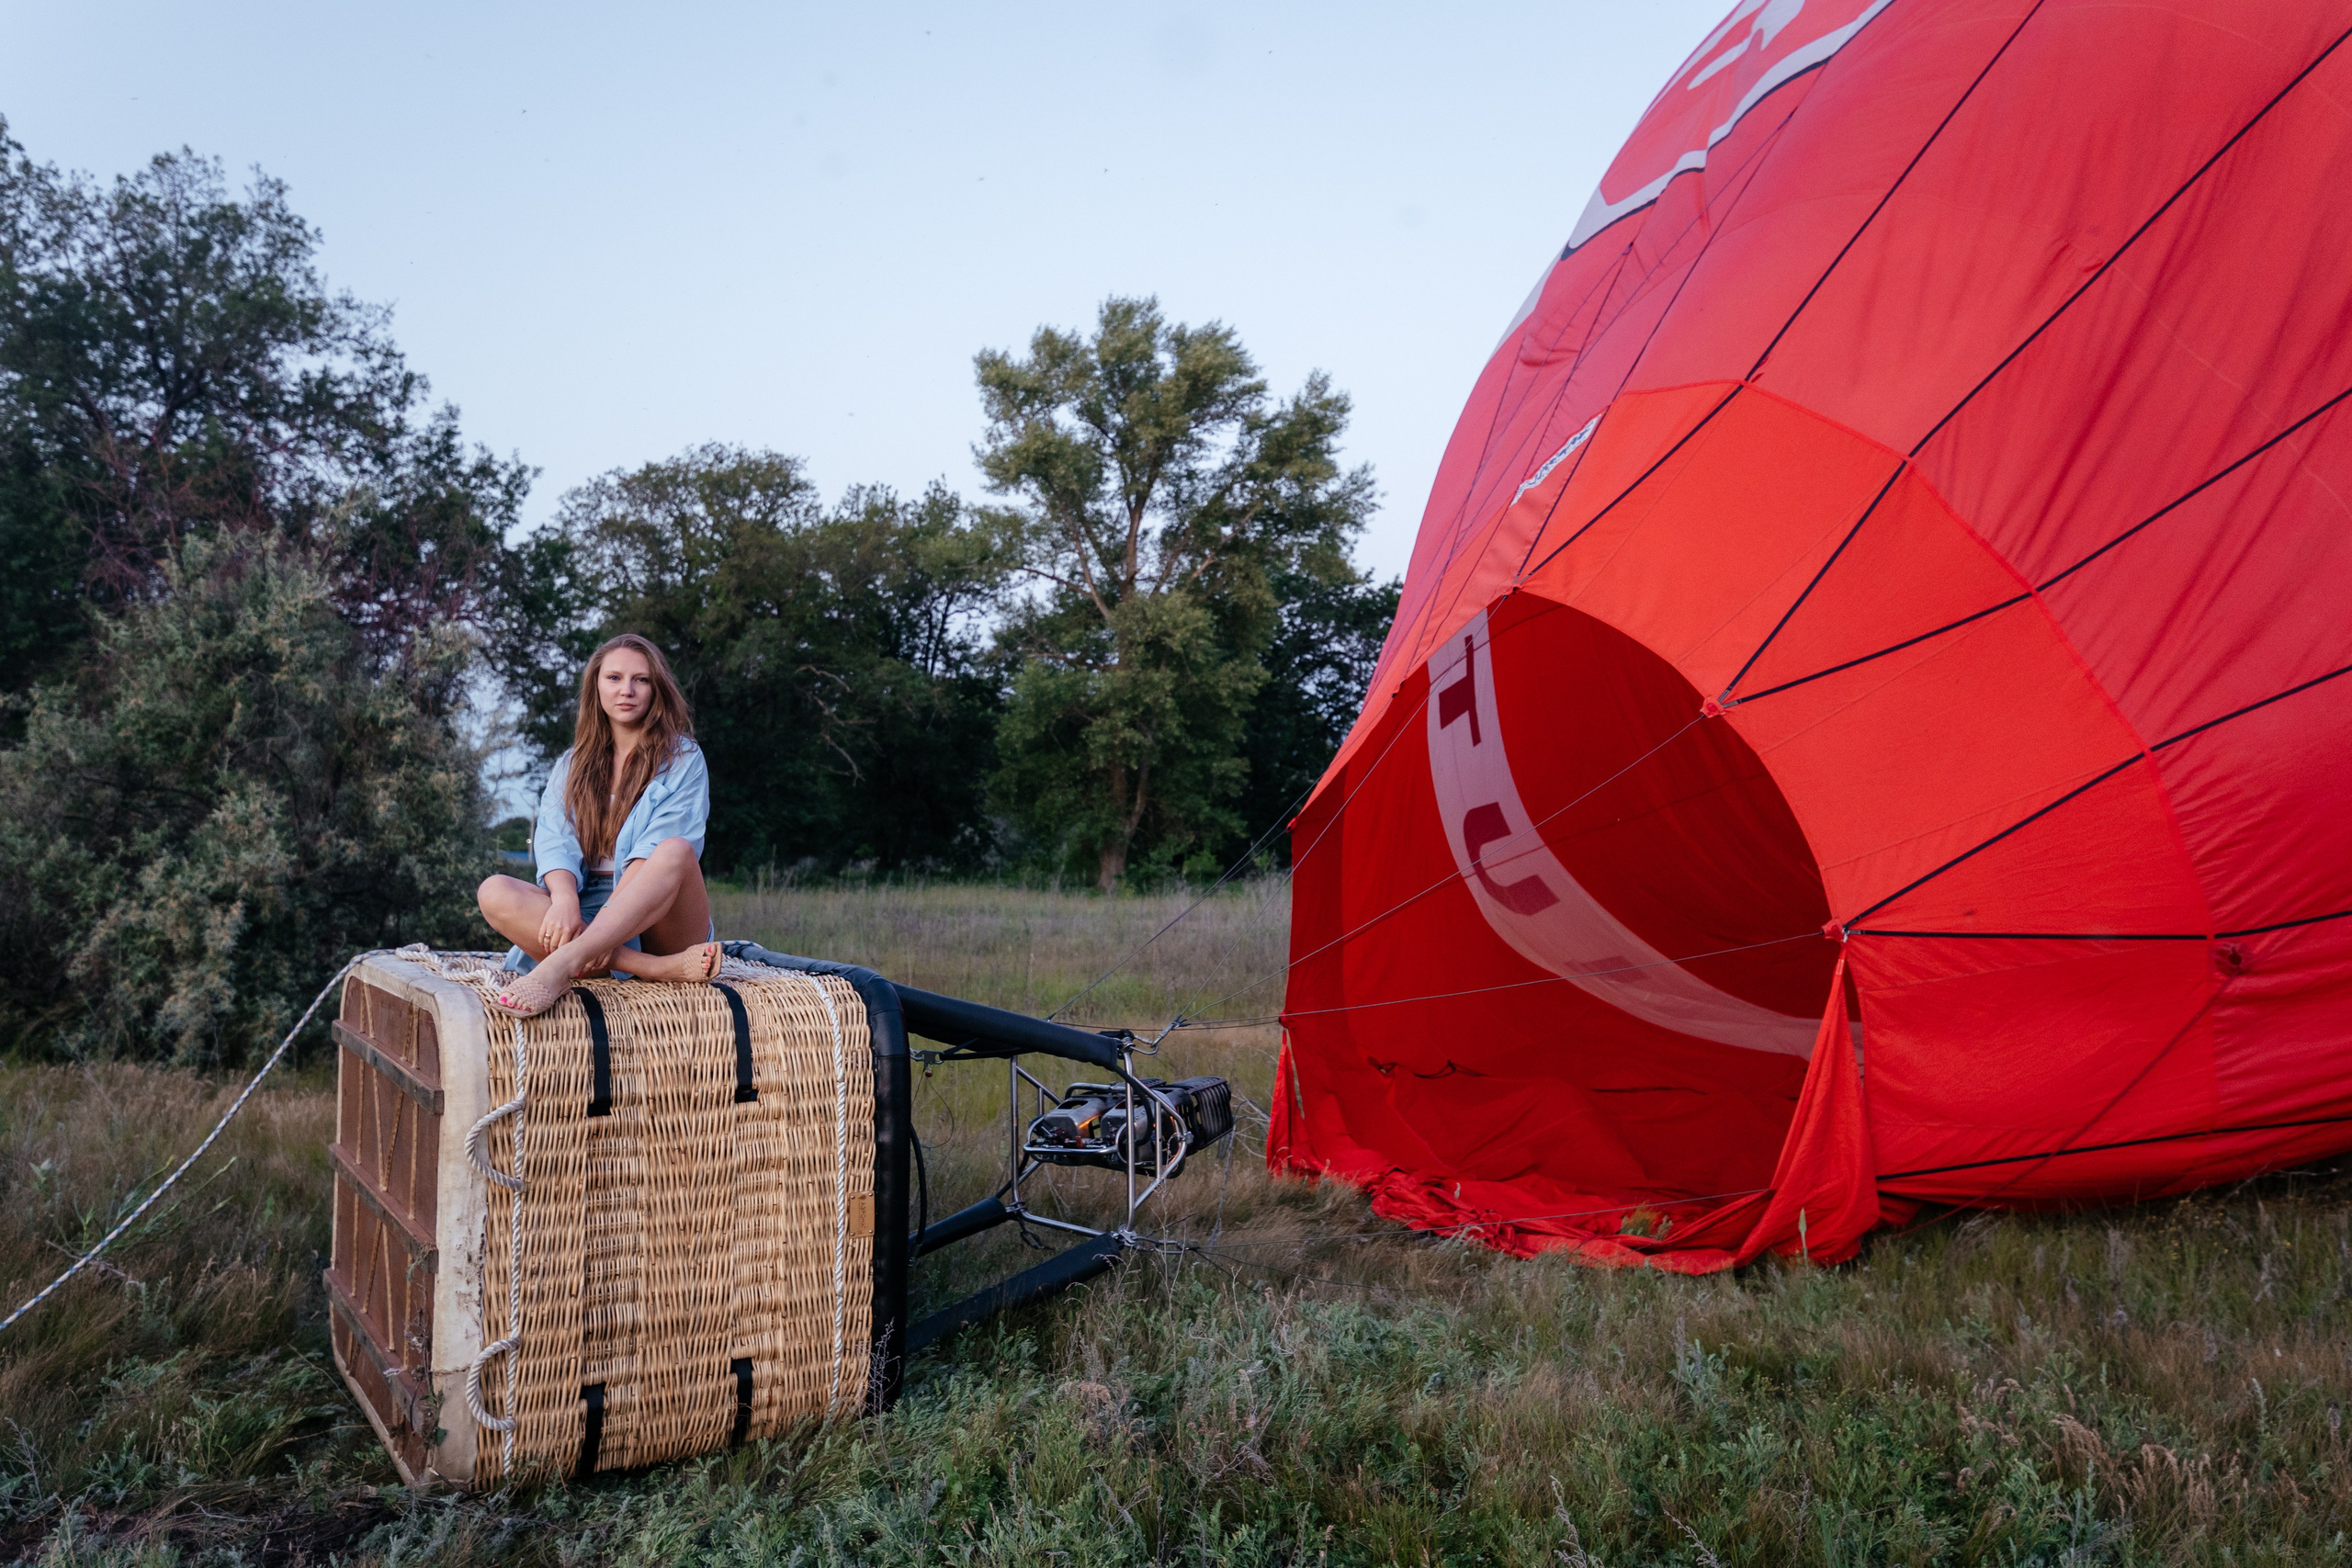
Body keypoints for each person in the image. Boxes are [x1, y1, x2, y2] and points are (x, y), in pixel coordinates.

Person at [475, 633, 719, 1019]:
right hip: (583, 907)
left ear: (658, 689)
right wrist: (565, 899)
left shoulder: (683, 758)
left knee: (674, 850)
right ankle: (649, 969)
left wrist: (608, 921)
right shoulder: (570, 765)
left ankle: (560, 966)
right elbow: (554, 841)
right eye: (614, 678)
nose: (627, 690)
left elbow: (651, 852)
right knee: (494, 891)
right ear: (596, 686)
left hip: (658, 912)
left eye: (641, 679)